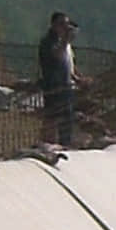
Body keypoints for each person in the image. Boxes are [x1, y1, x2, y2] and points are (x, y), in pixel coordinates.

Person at [37, 10, 79, 147]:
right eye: (62, 24)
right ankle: (46, 145)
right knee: (52, 118)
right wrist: (66, 40)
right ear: (54, 25)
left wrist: (77, 78)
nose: (65, 28)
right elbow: (56, 56)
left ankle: (65, 144)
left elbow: (68, 64)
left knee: (66, 120)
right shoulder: (48, 42)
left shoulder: (65, 44)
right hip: (54, 87)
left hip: (66, 87)